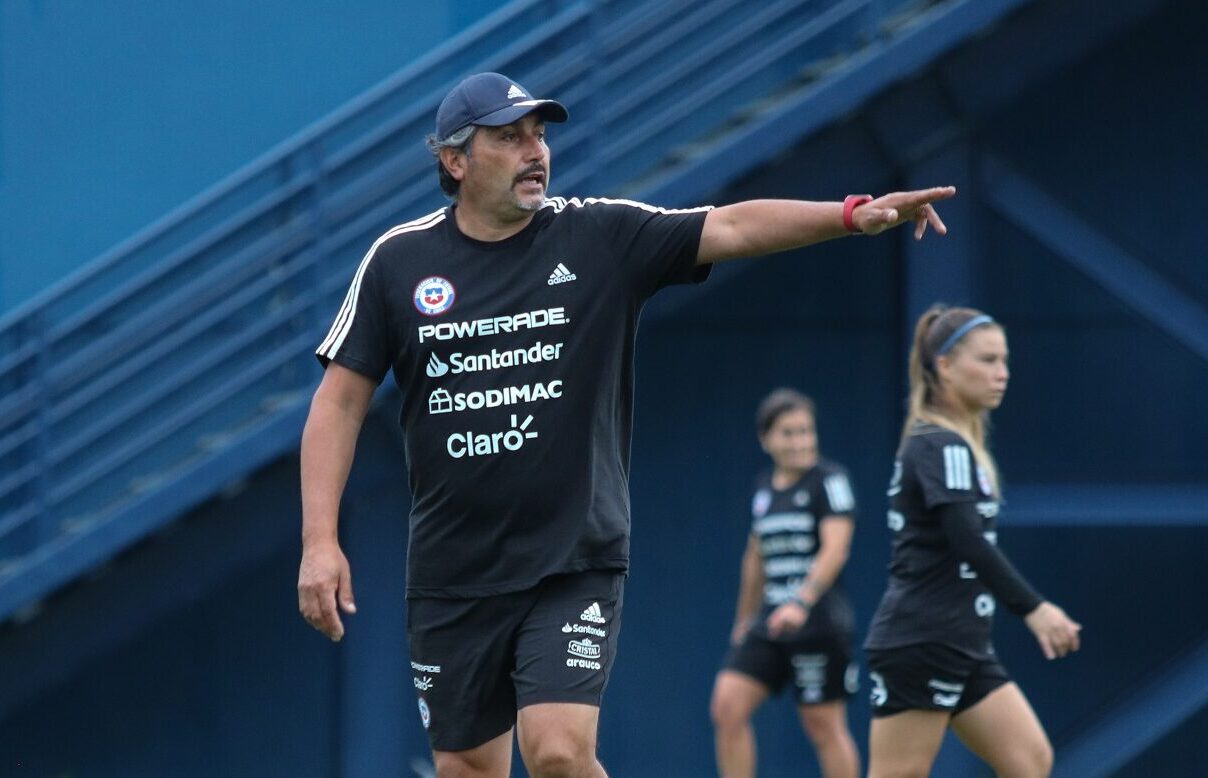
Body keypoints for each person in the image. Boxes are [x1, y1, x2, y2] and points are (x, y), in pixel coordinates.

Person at [295, 70, 956, 778]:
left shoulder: (597, 235)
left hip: (572, 558)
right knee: (465, 769)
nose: (535, 150)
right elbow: (338, 401)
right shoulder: (399, 261)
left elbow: (729, 226)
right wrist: (319, 542)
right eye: (509, 138)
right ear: (455, 161)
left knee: (555, 750)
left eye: (539, 134)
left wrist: (851, 214)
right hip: (454, 569)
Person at [863, 305, 1082, 778]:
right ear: (944, 364)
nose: (1001, 373)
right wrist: (1034, 608)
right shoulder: (938, 444)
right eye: (987, 360)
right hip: (922, 639)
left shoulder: (955, 445)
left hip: (963, 643)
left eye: (1004, 361)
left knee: (1030, 760)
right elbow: (969, 542)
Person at [710, 389, 861, 778]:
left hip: (818, 622)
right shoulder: (763, 489)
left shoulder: (830, 480)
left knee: (823, 724)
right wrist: (744, 620)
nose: (800, 442)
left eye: (806, 432)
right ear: (766, 439)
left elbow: (836, 548)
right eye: (788, 433)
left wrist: (801, 601)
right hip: (769, 622)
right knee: (727, 707)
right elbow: (754, 558)